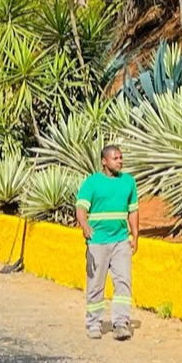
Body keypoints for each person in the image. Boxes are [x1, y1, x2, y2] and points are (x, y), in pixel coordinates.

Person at [75, 144, 139, 341]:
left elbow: (133, 211)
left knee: (123, 282)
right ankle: (94, 323)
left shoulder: (128, 182)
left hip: (121, 240)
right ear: (104, 161)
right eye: (115, 158)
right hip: (98, 242)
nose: (120, 161)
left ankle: (121, 323)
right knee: (96, 284)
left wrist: (135, 236)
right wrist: (84, 225)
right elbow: (81, 208)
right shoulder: (92, 183)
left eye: (121, 157)